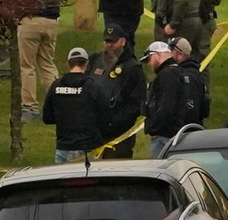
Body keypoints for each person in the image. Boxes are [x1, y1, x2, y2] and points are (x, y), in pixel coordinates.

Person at [18, 0, 71, 122]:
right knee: (47, 64)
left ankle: (30, 108)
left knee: (27, 66)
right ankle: (57, 105)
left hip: (30, 19)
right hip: (51, 20)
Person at [87, 23, 147, 159]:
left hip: (119, 136)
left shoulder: (133, 68)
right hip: (92, 132)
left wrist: (114, 123)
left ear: (123, 41)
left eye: (113, 41)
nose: (109, 45)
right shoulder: (94, 60)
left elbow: (136, 104)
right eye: (107, 41)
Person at [42, 46, 110, 164]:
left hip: (64, 146)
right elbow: (105, 116)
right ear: (87, 64)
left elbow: (47, 117)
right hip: (89, 147)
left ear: (68, 64)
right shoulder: (93, 86)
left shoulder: (56, 86)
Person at [142, 40, 205, 158]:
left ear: (158, 55)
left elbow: (166, 106)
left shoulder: (168, 74)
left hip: (165, 137)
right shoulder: (175, 72)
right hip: (172, 135)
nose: (149, 64)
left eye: (149, 59)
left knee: (158, 172)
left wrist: (153, 127)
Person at [169, 36, 211, 125]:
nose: (168, 55)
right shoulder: (194, 73)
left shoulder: (188, 77)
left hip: (186, 131)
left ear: (180, 55)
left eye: (171, 51)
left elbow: (190, 109)